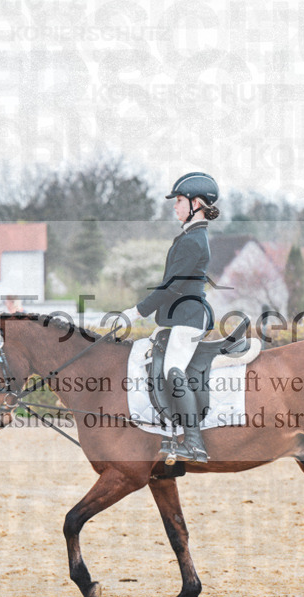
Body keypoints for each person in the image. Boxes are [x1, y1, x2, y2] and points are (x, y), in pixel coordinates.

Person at [122, 171, 220, 463]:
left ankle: (193, 442)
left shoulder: (193, 240)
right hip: (180, 316)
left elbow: (172, 286)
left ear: (197, 203)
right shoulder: (190, 235)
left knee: (173, 370)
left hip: (189, 316)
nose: (175, 206)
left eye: (179, 201)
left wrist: (136, 311)